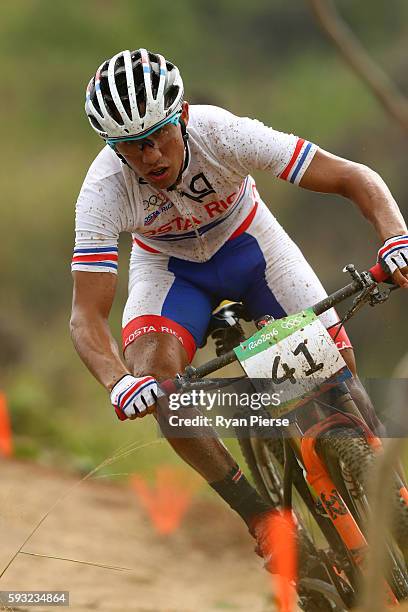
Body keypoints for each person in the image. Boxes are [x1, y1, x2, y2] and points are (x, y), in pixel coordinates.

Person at [70, 48, 408, 568]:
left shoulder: (222, 133)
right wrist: (119, 381)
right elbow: (86, 317)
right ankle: (261, 516)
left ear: (181, 115)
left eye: (157, 135)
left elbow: (351, 177)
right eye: (130, 148)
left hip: (250, 245)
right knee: (158, 383)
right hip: (170, 271)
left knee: (338, 379)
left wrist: (394, 239)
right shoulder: (102, 191)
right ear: (113, 148)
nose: (150, 157)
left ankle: (381, 477)